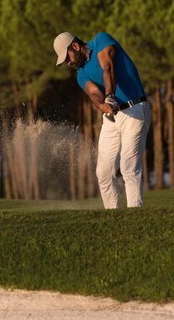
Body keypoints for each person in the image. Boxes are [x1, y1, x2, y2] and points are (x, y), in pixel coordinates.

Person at [53, 31, 151, 208]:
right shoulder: (81, 74)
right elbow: (93, 93)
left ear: (75, 46)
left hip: (135, 110)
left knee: (128, 166)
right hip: (111, 116)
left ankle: (135, 214)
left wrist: (110, 96)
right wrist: (102, 105)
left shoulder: (101, 40)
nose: (68, 62)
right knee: (104, 172)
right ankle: (113, 216)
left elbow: (108, 67)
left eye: (67, 56)